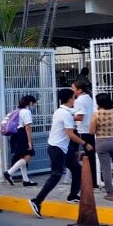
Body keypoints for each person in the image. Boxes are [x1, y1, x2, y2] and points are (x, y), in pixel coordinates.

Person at [29, 89, 91, 219]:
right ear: (69, 99)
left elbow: (78, 114)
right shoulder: (65, 114)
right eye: (74, 98)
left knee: (76, 168)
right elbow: (70, 134)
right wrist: (85, 144)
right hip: (57, 148)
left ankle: (73, 196)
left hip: (63, 147)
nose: (75, 101)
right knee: (56, 175)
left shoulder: (61, 111)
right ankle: (37, 201)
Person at [4, 95, 39, 187]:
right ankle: (9, 172)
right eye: (34, 104)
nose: (34, 106)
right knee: (28, 156)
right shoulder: (26, 112)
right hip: (22, 134)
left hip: (15, 135)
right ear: (30, 103)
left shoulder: (17, 111)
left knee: (22, 157)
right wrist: (29, 142)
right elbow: (28, 127)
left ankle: (26, 180)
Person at [73, 80, 98, 188]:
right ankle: (95, 179)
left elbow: (80, 116)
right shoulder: (89, 97)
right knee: (91, 155)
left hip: (83, 130)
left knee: (86, 155)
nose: (72, 90)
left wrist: (69, 115)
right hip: (90, 129)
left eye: (73, 88)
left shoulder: (79, 101)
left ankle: (91, 180)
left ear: (79, 90)